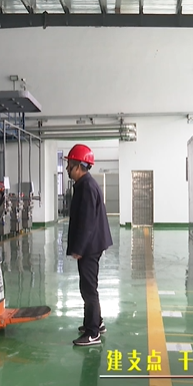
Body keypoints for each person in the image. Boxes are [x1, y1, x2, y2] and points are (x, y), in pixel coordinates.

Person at [65, 144, 113, 346]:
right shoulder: (85, 184)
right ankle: (96, 323)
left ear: (78, 166)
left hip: (90, 247)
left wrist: (79, 248)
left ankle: (93, 333)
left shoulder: (86, 187)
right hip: (93, 244)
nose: (67, 168)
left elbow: (87, 222)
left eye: (69, 164)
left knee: (88, 288)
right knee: (89, 286)